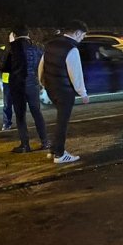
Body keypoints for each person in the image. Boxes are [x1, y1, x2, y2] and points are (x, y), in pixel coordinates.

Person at [38, 20, 90, 164]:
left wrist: (42, 83)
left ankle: (54, 150)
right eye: (83, 35)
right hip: (65, 91)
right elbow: (76, 74)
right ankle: (59, 155)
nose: (82, 38)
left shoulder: (51, 44)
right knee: (62, 122)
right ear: (77, 32)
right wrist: (83, 93)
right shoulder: (71, 49)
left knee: (60, 120)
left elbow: (41, 66)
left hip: (51, 89)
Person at [1, 26, 49, 153]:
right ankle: (45, 142)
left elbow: (4, 67)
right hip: (33, 83)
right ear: (28, 34)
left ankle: (25, 145)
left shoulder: (11, 47)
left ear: (15, 35)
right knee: (37, 113)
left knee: (20, 115)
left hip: (18, 85)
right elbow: (42, 66)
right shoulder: (38, 47)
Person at [0, 33, 14, 130]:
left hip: (19, 78)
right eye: (12, 36)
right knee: (7, 103)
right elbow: (3, 62)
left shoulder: (21, 48)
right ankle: (6, 123)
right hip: (7, 79)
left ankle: (22, 122)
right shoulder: (3, 48)